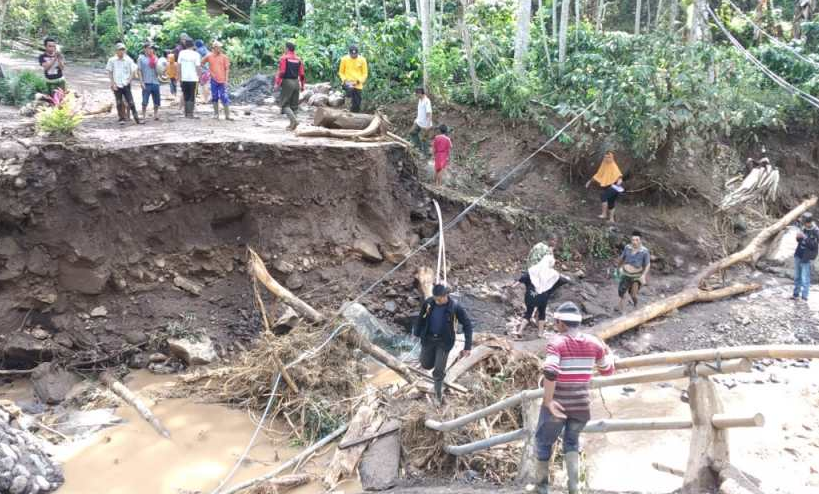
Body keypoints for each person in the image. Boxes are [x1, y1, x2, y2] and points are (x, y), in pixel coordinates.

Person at [535, 301, 614, 494]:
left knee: (543, 442)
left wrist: (548, 401)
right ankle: (574, 489)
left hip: (559, 403)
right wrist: (609, 354)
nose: (555, 324)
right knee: (571, 442)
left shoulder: (557, 342)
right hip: (581, 405)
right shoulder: (595, 342)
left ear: (561, 323)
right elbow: (607, 371)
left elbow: (551, 372)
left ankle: (542, 488)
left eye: (556, 321)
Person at [413, 284, 474, 406]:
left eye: (439, 299)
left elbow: (467, 325)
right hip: (428, 339)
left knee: (439, 370)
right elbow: (421, 318)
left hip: (444, 342)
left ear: (445, 296)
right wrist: (417, 333)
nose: (437, 301)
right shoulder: (429, 303)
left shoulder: (455, 307)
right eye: (435, 298)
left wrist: (467, 347)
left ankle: (438, 397)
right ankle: (435, 377)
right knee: (425, 364)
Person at [515, 252, 570, 340]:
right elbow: (563, 280)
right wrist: (567, 278)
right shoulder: (553, 274)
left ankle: (520, 331)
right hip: (542, 297)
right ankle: (540, 333)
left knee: (528, 312)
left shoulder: (533, 270)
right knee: (542, 313)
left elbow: (523, 277)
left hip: (530, 295)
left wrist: (515, 284)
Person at [106, 43, 143, 125]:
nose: (122, 51)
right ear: (116, 51)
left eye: (123, 50)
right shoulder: (112, 60)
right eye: (120, 50)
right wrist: (112, 83)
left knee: (131, 102)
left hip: (125, 83)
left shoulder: (128, 60)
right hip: (117, 84)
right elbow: (109, 72)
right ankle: (121, 118)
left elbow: (133, 70)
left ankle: (136, 118)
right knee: (119, 102)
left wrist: (129, 81)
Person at [274, 42, 306, 131]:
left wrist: (277, 83)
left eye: (285, 48)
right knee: (294, 106)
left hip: (287, 82)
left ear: (287, 48)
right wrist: (303, 85)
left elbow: (282, 72)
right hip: (296, 82)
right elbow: (302, 74)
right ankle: (292, 125)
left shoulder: (284, 58)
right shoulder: (298, 59)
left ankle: (294, 121)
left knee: (284, 105)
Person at [585, 151, 624, 223]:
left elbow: (619, 177)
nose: (607, 158)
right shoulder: (604, 164)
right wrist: (589, 181)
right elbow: (598, 174)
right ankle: (611, 219)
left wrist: (618, 183)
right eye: (605, 157)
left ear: (612, 158)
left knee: (603, 196)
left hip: (614, 186)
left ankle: (604, 214)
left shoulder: (613, 165)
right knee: (611, 202)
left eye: (609, 157)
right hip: (608, 186)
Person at [617, 231, 650, 312]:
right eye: (633, 240)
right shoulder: (627, 248)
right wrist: (618, 268)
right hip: (625, 274)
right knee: (622, 293)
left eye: (637, 240)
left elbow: (648, 264)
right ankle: (622, 311)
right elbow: (622, 258)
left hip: (636, 276)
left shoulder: (644, 251)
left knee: (633, 295)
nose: (634, 242)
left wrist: (643, 275)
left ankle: (635, 304)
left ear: (640, 240)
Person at [202, 40, 232, 120]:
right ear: (214, 48)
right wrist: (208, 71)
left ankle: (227, 115)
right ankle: (216, 114)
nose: (220, 49)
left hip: (222, 80)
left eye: (220, 47)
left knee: (224, 96)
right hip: (213, 79)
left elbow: (227, 69)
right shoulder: (209, 56)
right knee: (214, 96)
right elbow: (201, 63)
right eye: (218, 47)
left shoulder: (224, 57)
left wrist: (226, 80)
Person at [793, 212, 819, 301]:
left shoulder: (816, 231)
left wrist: (805, 237)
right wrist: (798, 237)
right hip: (798, 254)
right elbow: (799, 241)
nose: (804, 224)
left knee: (805, 278)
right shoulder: (803, 227)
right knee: (797, 276)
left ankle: (804, 297)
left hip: (806, 257)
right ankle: (795, 294)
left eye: (805, 223)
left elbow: (813, 246)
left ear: (809, 222)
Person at [338, 45, 368, 113]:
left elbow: (365, 74)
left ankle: (355, 115)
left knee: (357, 104)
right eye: (352, 54)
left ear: (358, 53)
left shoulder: (362, 60)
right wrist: (345, 80)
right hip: (347, 82)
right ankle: (346, 107)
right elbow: (341, 72)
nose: (354, 55)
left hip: (358, 83)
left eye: (355, 54)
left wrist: (358, 81)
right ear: (349, 53)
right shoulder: (344, 59)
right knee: (350, 90)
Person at [177, 39, 202, 118]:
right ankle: (190, 114)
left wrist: (179, 77)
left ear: (185, 45)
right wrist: (199, 76)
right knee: (192, 95)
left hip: (184, 78)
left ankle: (186, 113)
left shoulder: (181, 53)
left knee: (185, 94)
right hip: (193, 78)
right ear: (193, 45)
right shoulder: (196, 54)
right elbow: (198, 67)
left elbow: (179, 66)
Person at [136, 42, 161, 121]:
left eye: (152, 48)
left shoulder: (155, 58)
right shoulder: (141, 58)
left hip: (155, 81)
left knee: (156, 100)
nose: (151, 50)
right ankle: (143, 115)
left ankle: (156, 114)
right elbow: (139, 71)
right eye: (149, 48)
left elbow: (159, 70)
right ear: (145, 49)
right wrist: (141, 82)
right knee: (145, 100)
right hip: (146, 82)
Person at [410, 87, 433, 156]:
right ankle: (419, 147)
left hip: (425, 124)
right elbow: (420, 111)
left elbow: (429, 113)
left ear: (420, 93)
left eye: (417, 94)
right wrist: (416, 120)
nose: (416, 96)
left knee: (424, 140)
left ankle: (426, 154)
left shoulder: (427, 101)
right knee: (412, 132)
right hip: (418, 122)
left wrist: (428, 125)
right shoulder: (420, 100)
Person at [195, 39, 211, 104]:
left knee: (203, 86)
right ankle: (206, 99)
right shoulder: (207, 51)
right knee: (206, 85)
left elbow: (197, 63)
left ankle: (205, 99)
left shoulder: (197, 52)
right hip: (208, 70)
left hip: (201, 70)